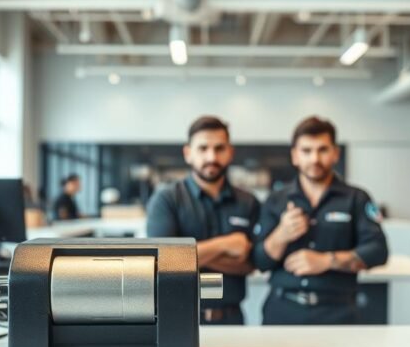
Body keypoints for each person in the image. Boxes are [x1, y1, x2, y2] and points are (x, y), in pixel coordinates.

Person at [252, 116, 388, 325]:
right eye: (306, 151)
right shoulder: (275, 200)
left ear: (335, 153)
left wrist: (327, 260)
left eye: (322, 150)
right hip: (282, 312)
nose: (315, 158)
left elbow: (378, 251)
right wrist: (281, 235)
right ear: (295, 156)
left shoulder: (357, 198)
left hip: (339, 313)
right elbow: (259, 261)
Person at [146, 116, 260, 325]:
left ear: (230, 152)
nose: (211, 156)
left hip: (233, 320)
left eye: (219, 148)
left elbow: (252, 264)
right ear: (188, 153)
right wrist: (224, 245)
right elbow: (161, 262)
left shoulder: (248, 202)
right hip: (178, 319)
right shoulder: (166, 199)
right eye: (203, 148)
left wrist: (187, 257)